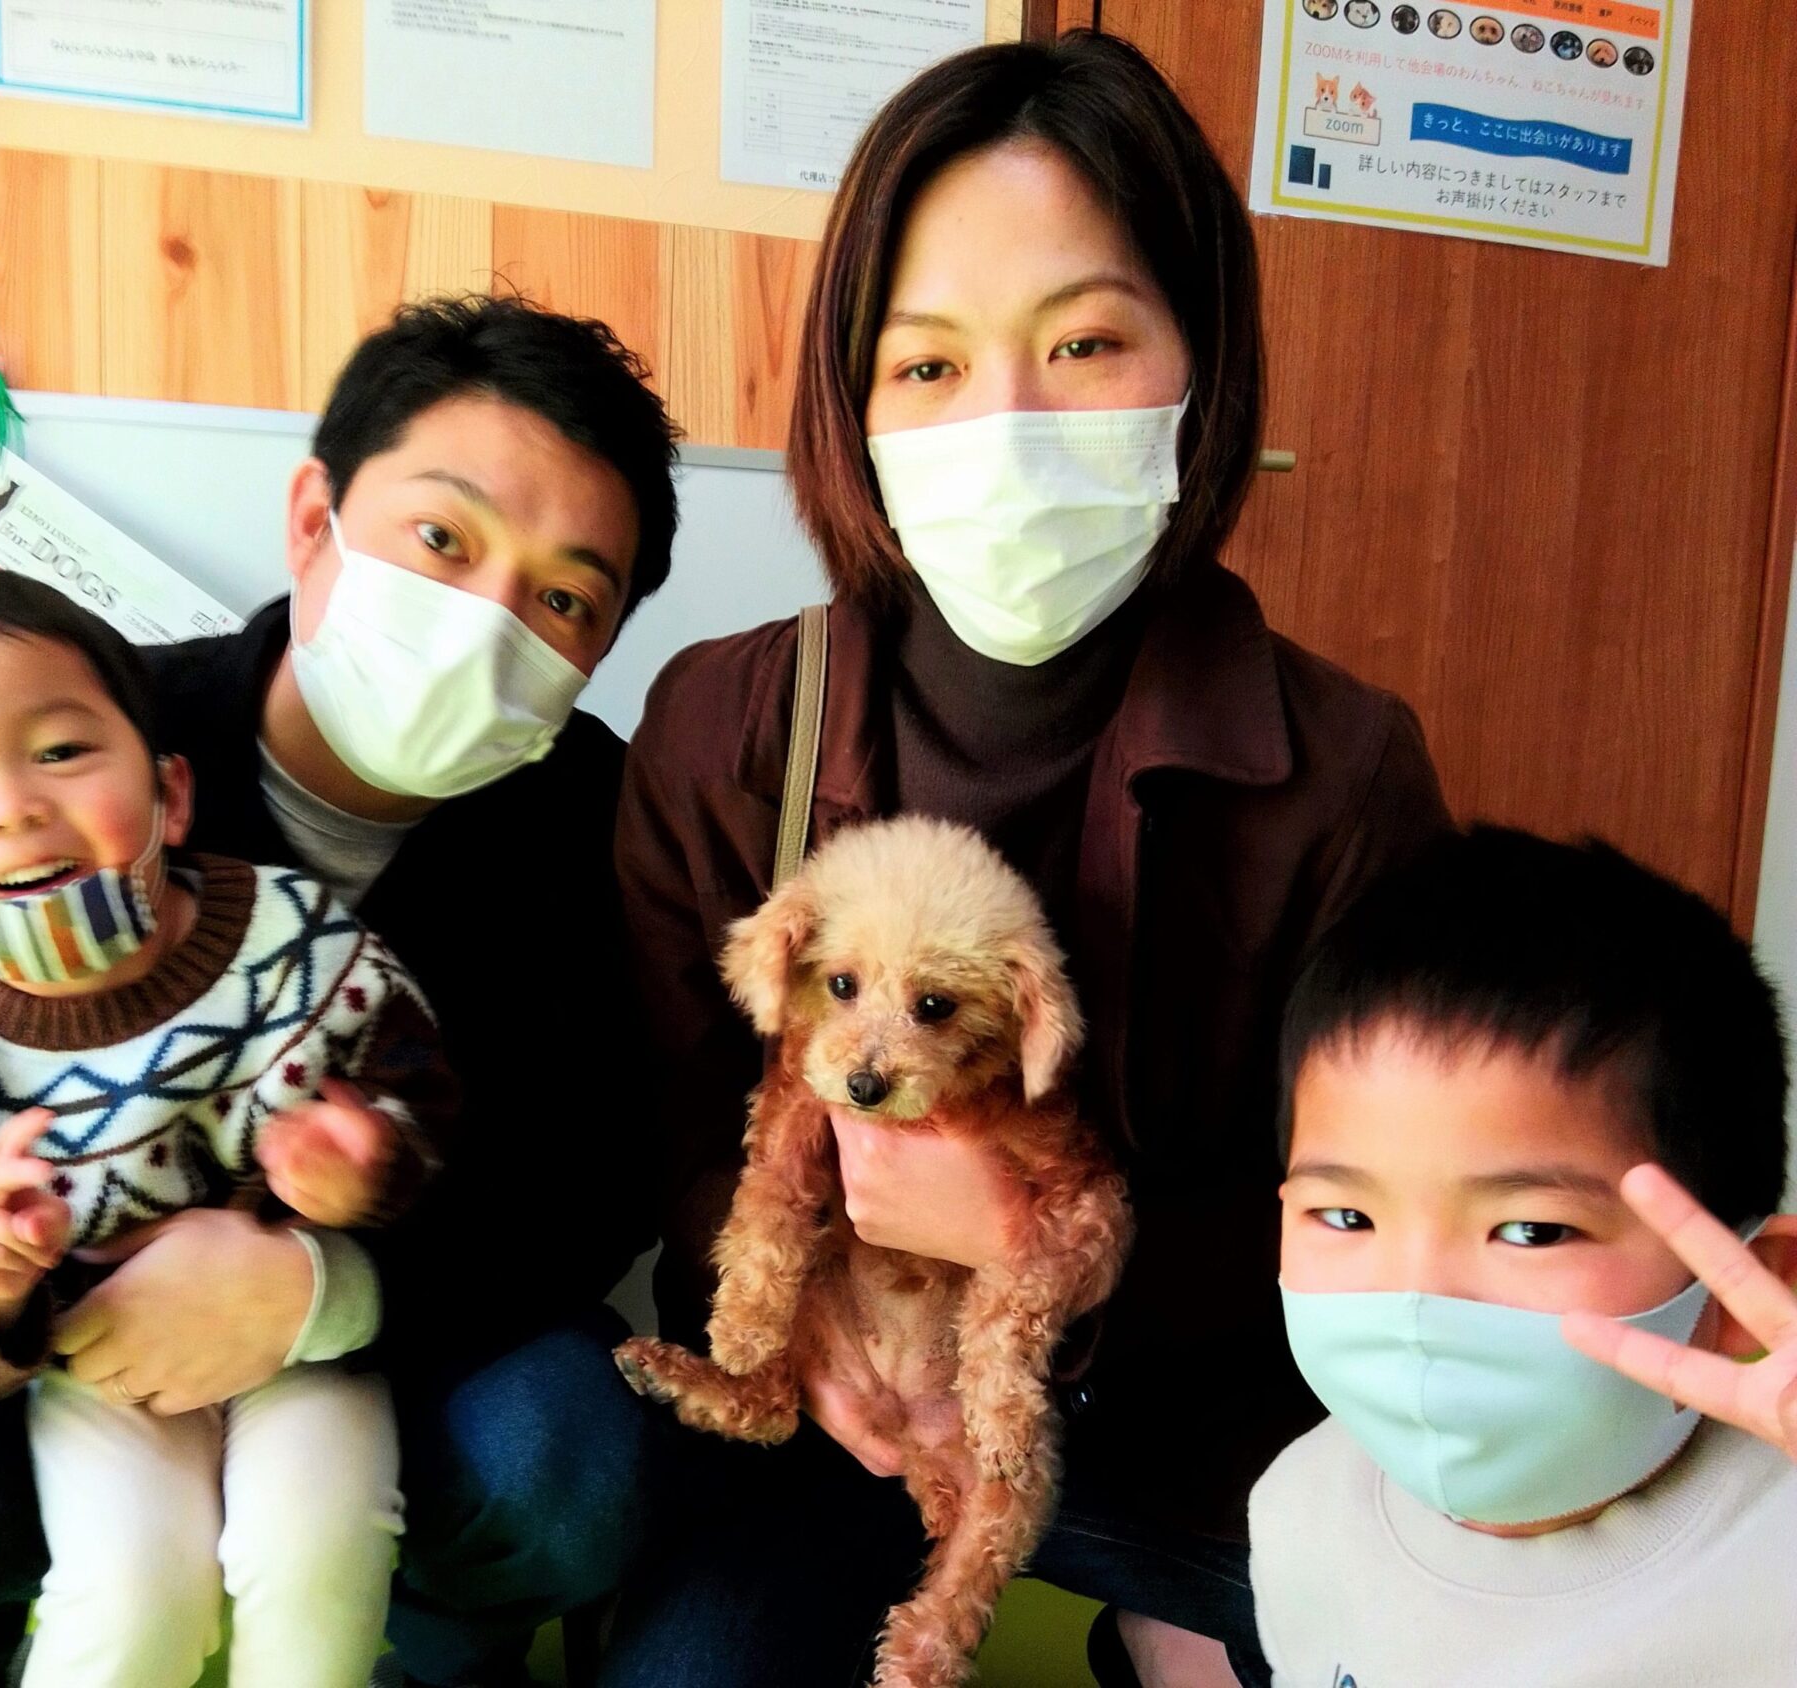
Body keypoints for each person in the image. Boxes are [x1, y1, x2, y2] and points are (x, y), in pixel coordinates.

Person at [605, 32, 1449, 1688]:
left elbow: (1386, 1210)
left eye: (1083, 343)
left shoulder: (1344, 771)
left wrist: (1053, 1247)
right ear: (852, 403)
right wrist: (816, 1320)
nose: (1007, 421)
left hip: (1203, 1433)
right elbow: (660, 1116)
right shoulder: (730, 725)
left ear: (1202, 364)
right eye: (928, 364)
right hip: (834, 1418)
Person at [0, 294, 680, 1688]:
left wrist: (325, 1283)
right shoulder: (79, 742)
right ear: (315, 520)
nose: (485, 621)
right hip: (35, 1333)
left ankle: (433, 1659)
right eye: (443, 539)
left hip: (383, 1344)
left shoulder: (598, 825)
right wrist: (2, 1279)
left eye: (564, 598)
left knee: (569, 1447)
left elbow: (596, 1177)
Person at [0, 570, 456, 1687]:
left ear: (170, 794)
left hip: (300, 1337)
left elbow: (427, 1108)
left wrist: (368, 1166)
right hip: (95, 1364)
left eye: (59, 750)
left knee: (316, 1555)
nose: (9, 806)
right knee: (130, 1593)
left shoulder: (296, 940)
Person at [1254, 825, 1797, 1684]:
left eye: (1533, 1231)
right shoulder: (1299, 1509)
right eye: (1349, 1217)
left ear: (1745, 1284)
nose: (1416, 1299)